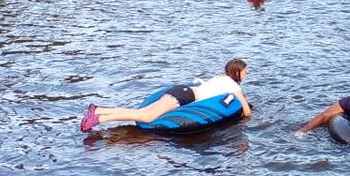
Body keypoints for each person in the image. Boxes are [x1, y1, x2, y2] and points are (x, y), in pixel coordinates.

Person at [80, 59, 252, 132]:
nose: (246, 74)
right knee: (145, 116)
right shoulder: (232, 85)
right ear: (238, 73)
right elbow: (246, 110)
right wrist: (248, 119)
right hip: (183, 97)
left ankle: (99, 112)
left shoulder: (220, 78)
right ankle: (98, 115)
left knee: (144, 112)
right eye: (245, 71)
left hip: (182, 91)